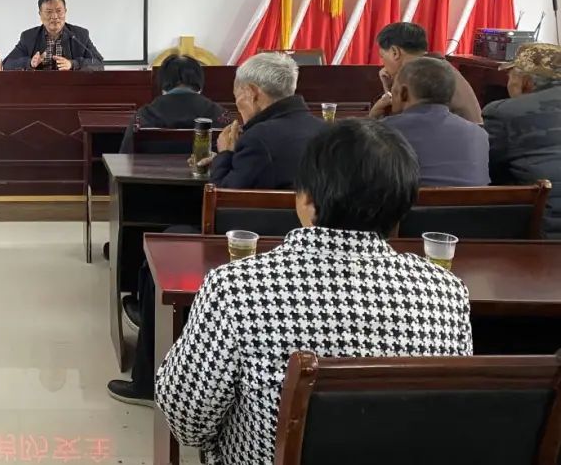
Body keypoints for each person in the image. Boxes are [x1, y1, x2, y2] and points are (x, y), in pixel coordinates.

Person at [155, 120, 473, 465]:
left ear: (306, 198)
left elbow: (186, 419)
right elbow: (450, 415)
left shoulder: (235, 289)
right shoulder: (446, 293)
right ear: (403, 205)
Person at [107, 52, 325, 406]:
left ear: (253, 93)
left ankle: (148, 379)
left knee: (163, 245)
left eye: (239, 95)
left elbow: (224, 199)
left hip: (248, 247)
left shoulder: (259, 137)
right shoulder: (322, 129)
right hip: (301, 243)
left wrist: (224, 152)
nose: (237, 104)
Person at [208, 52, 326, 189]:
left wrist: (224, 155)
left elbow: (224, 195)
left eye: (237, 97)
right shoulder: (327, 131)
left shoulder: (257, 139)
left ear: (251, 92)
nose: (238, 106)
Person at [483, 43, 561, 238]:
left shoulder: (504, 113)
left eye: (510, 75)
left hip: (543, 234)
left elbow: (485, 171)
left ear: (526, 82)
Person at [384, 57, 490, 186]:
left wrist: (371, 120)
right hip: (475, 200)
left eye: (393, 89)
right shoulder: (478, 134)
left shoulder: (385, 133)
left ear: (404, 93)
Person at [368, 22, 482, 124]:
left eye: (382, 56)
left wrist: (372, 117)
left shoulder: (422, 76)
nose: (383, 63)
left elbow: (401, 125)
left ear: (395, 52)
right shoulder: (436, 67)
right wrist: (389, 86)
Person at [119, 54, 229, 153]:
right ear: (199, 82)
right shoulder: (220, 114)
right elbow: (230, 156)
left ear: (162, 83)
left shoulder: (143, 115)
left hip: (155, 169)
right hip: (205, 169)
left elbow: (126, 158)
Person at [2, 0, 104, 71]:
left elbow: (98, 63)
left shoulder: (80, 35)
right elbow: (7, 64)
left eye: (59, 11)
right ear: (40, 15)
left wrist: (72, 64)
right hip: (39, 87)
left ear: (65, 11)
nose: (55, 16)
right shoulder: (28, 37)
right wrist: (30, 63)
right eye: (49, 12)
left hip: (71, 87)